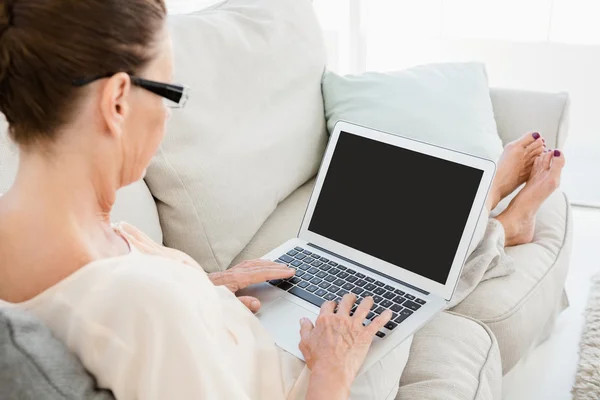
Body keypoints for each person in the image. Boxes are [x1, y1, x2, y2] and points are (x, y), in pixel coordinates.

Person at [0, 0, 565, 399]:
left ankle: (491, 215)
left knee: (388, 279)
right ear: (118, 101)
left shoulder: (41, 238)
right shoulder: (141, 306)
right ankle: (492, 210)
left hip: (245, 328)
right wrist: (333, 367)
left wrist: (209, 286)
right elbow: (136, 312)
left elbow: (128, 308)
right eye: (171, 93)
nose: (169, 116)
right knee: (404, 287)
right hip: (303, 378)